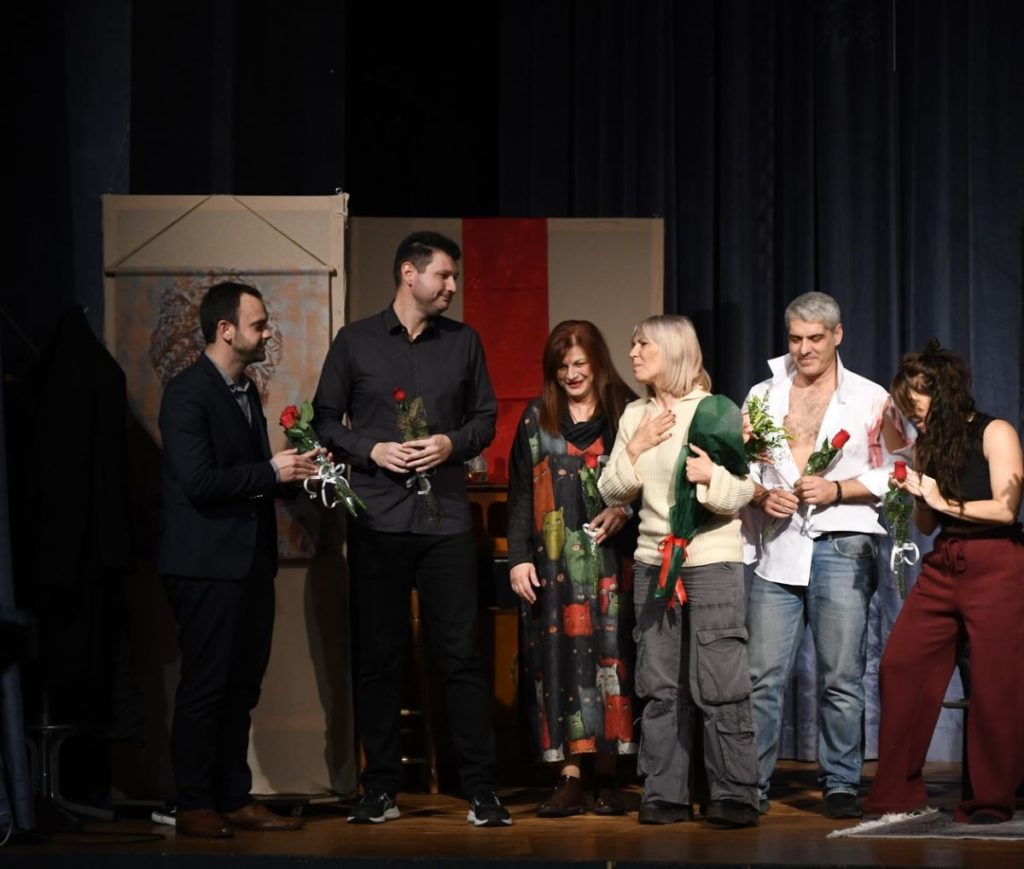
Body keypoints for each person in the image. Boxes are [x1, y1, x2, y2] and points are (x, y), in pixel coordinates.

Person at [312, 231, 509, 827]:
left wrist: (451, 443)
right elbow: (324, 419)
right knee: (379, 655)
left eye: (453, 277)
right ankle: (380, 789)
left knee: (460, 656)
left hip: (445, 520)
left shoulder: (463, 342)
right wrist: (371, 449)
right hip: (379, 519)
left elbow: (485, 418)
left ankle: (481, 790)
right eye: (443, 275)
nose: (452, 286)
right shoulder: (356, 341)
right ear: (408, 274)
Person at [158, 281, 319, 838]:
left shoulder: (244, 389)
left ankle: (232, 797)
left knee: (241, 686)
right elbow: (200, 482)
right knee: (206, 685)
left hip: (248, 563)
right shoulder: (187, 393)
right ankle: (194, 802)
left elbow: (248, 479)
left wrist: (295, 472)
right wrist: (270, 471)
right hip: (205, 564)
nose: (267, 333)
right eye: (258, 324)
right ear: (225, 330)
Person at [597, 315, 760, 828]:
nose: (632, 353)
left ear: (671, 350)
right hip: (654, 564)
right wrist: (636, 446)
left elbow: (741, 492)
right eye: (632, 344)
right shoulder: (635, 415)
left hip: (709, 561)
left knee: (720, 681)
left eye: (642, 344)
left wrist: (711, 477)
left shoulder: (714, 411)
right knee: (659, 682)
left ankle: (734, 793)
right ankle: (664, 792)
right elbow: (611, 491)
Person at [742, 291, 898, 819]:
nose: (804, 349)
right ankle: (750, 784)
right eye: (795, 338)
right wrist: (761, 496)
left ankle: (841, 783)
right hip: (779, 546)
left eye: (814, 338)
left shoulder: (871, 397)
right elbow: (742, 468)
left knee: (841, 676)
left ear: (837, 335)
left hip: (843, 543)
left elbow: (898, 471)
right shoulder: (762, 395)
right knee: (761, 676)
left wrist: (839, 490)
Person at [863, 341, 1024, 824]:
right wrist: (916, 492)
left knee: (996, 683)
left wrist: (940, 499)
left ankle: (990, 799)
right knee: (901, 664)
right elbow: (928, 524)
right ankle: (897, 793)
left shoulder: (995, 432)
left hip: (996, 563)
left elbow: (1005, 509)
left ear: (946, 391)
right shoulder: (929, 445)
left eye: (917, 399)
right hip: (945, 561)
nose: (912, 410)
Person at [507, 320, 638, 817]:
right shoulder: (535, 418)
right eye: (562, 367)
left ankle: (608, 774)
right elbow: (521, 493)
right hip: (553, 566)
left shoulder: (626, 411)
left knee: (612, 661)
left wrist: (625, 509)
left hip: (612, 564)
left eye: (579, 364)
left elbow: (652, 480)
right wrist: (519, 558)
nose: (571, 374)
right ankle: (568, 777)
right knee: (558, 664)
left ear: (597, 361)